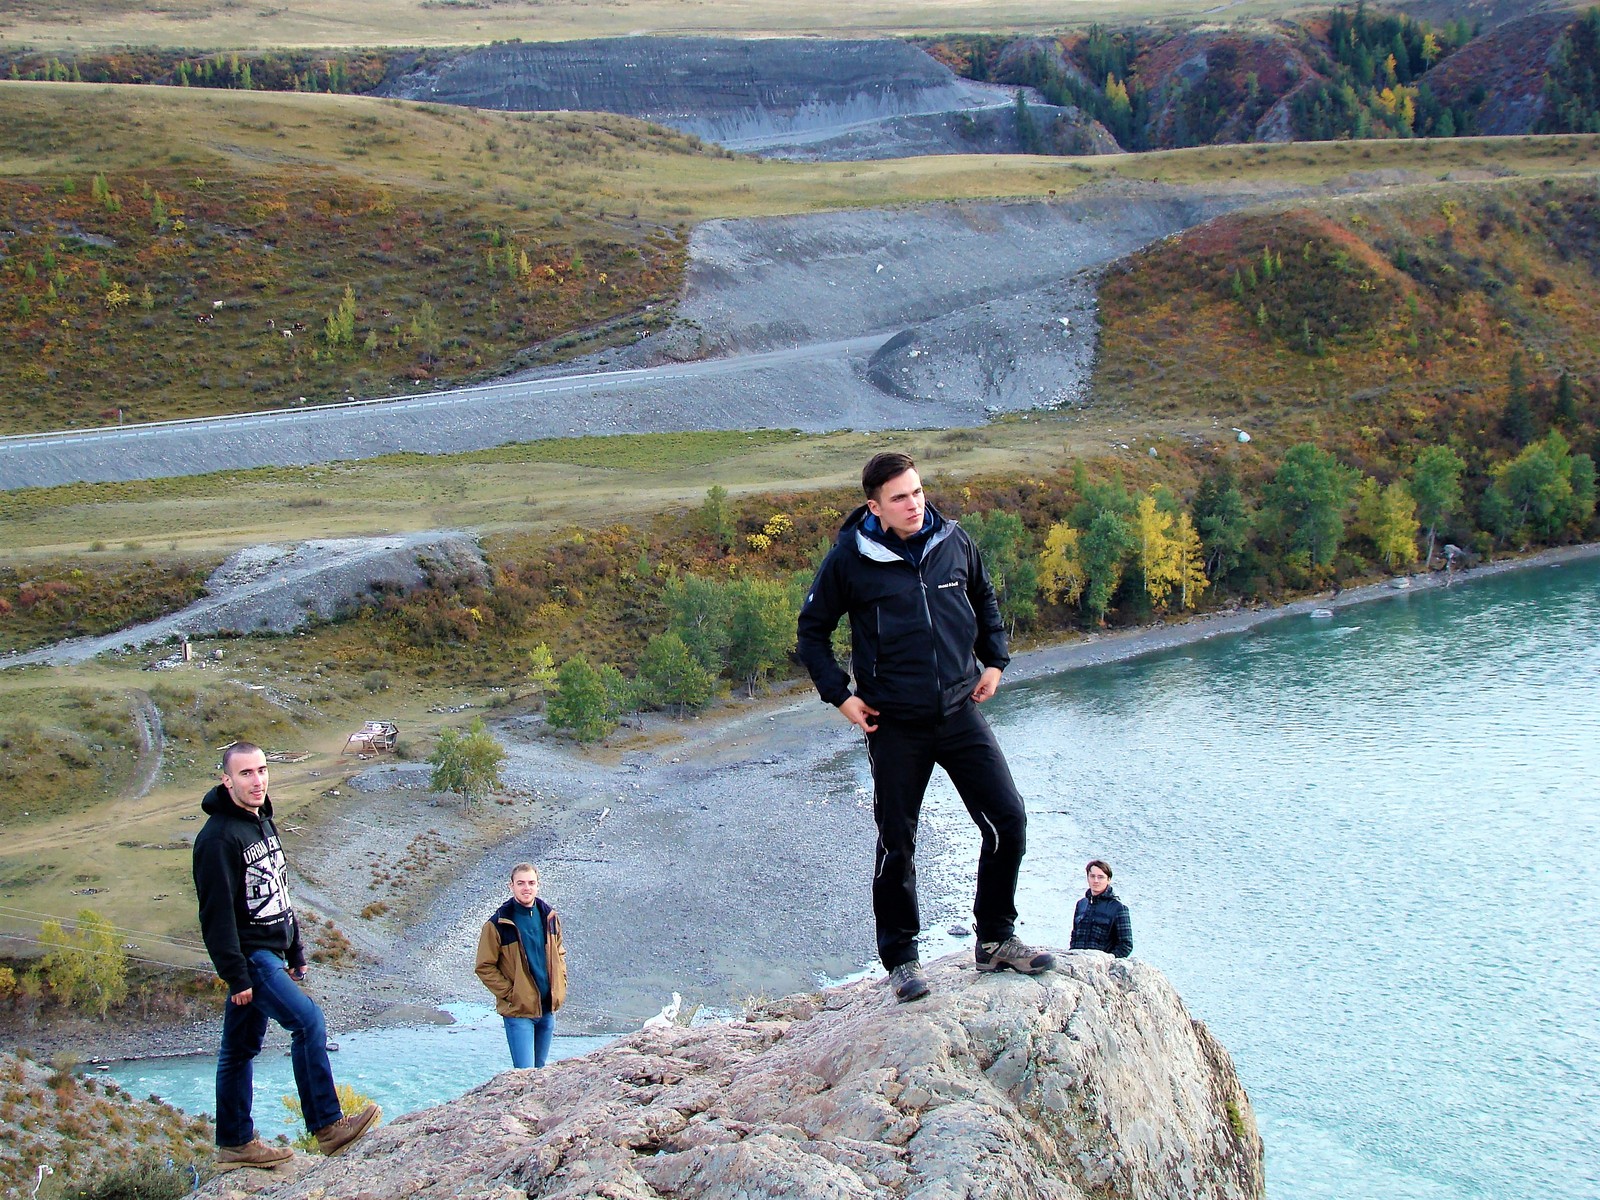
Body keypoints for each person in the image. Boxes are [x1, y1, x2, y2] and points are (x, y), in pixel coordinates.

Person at [797, 451, 1055, 1003]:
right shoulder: (850, 558)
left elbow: (983, 597)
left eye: (917, 492)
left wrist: (994, 661)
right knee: (898, 842)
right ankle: (902, 960)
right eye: (899, 498)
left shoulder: (953, 541)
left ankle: (995, 940)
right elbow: (811, 633)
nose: (913, 504)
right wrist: (841, 697)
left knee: (1007, 821)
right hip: (893, 724)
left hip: (960, 711)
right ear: (875, 506)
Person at [192, 743, 380, 1171]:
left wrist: (295, 947)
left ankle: (235, 1143)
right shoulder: (218, 838)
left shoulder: (263, 821)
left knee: (238, 1051)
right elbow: (215, 915)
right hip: (252, 958)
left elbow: (278, 889)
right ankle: (329, 1127)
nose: (257, 781)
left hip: (273, 950)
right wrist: (236, 977)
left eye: (261, 770)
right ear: (227, 780)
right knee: (308, 1021)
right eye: (245, 774)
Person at [475, 862, 568, 1068]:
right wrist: (512, 993)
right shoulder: (497, 924)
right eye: (521, 883)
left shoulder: (549, 917)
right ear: (511, 886)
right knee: (524, 1075)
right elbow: (484, 966)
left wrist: (561, 981)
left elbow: (559, 951)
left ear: (538, 885)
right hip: (519, 1013)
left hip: (547, 1010)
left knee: (541, 1072)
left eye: (531, 883)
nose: (526, 888)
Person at [1069, 859, 1133, 958]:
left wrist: (1107, 961)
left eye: (1100, 877)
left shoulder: (1118, 908)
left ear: (1108, 879)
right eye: (1092, 876)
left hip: (1100, 967)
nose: (1096, 881)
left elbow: (1126, 945)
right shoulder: (1081, 904)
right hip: (1077, 962)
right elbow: (1074, 936)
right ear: (1087, 878)